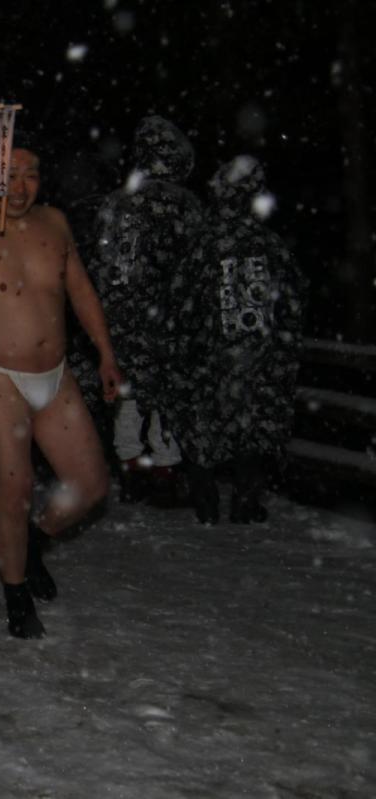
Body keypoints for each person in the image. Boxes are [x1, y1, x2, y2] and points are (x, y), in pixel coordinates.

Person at [0, 147, 122, 639]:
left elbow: (79, 289)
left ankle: (35, 541)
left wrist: (105, 352)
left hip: (54, 374)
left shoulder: (55, 223)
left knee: (90, 486)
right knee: (12, 494)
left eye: (30, 175)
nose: (20, 186)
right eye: (9, 175)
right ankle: (17, 596)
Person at [165, 155, 305, 524]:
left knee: (203, 428)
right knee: (252, 429)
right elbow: (291, 304)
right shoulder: (270, 245)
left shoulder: (203, 243)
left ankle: (206, 502)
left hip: (209, 360)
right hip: (257, 360)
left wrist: (187, 348)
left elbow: (180, 303)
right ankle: (245, 501)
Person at [86, 116, 204, 505]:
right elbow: (195, 269)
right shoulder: (185, 205)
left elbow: (99, 263)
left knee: (128, 396)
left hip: (119, 321)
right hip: (167, 324)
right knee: (165, 399)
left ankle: (132, 469)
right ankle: (165, 474)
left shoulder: (116, 202)